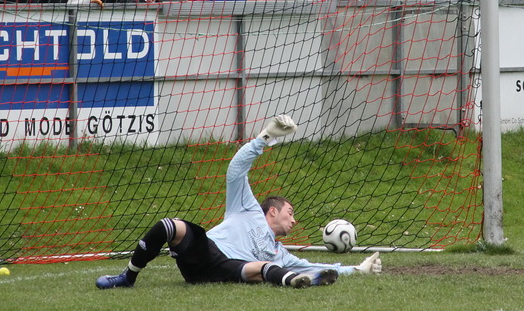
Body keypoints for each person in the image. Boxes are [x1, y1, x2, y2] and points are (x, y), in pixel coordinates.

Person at [96, 115, 382, 289]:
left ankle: (295, 282)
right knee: (170, 226)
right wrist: (264, 138)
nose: (294, 220)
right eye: (290, 212)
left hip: (228, 271)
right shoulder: (246, 208)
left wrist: (356, 269)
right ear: (272, 211)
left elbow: (311, 264)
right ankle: (127, 277)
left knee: (262, 267)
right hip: (204, 255)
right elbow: (236, 170)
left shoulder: (280, 253)